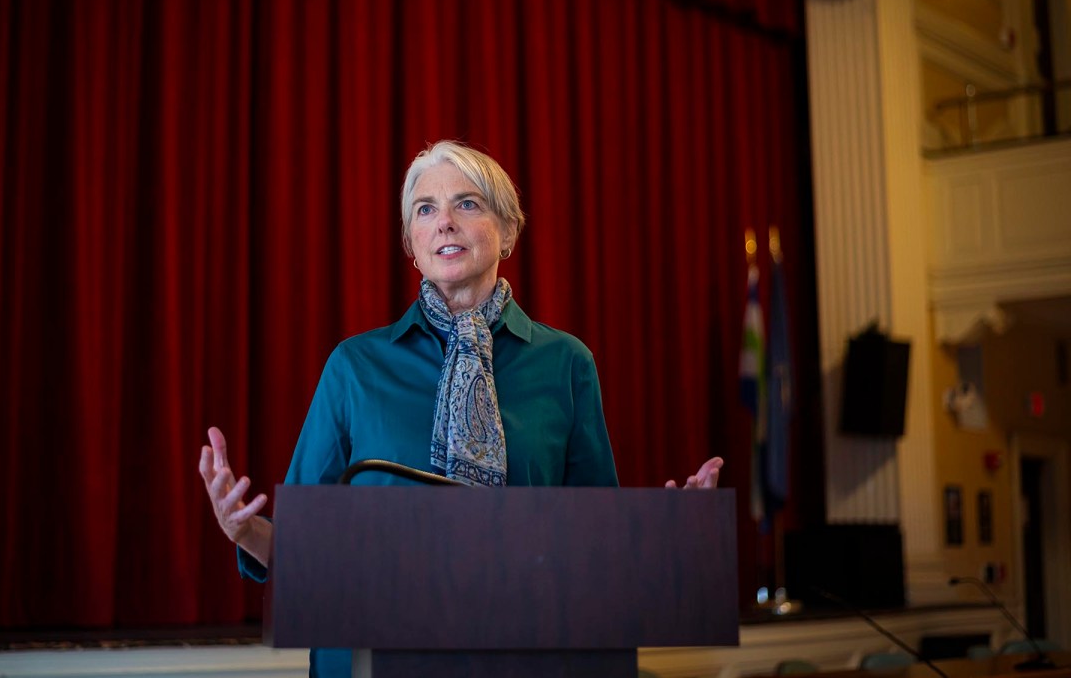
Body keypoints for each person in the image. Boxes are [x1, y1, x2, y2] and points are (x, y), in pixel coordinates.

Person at [200, 139, 723, 678]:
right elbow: (304, 547)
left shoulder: (566, 362)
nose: (444, 221)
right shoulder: (355, 365)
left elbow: (595, 544)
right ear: (411, 243)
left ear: (509, 231)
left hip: (525, 654)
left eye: (467, 203)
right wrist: (246, 531)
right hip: (374, 657)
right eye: (425, 209)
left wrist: (673, 532)